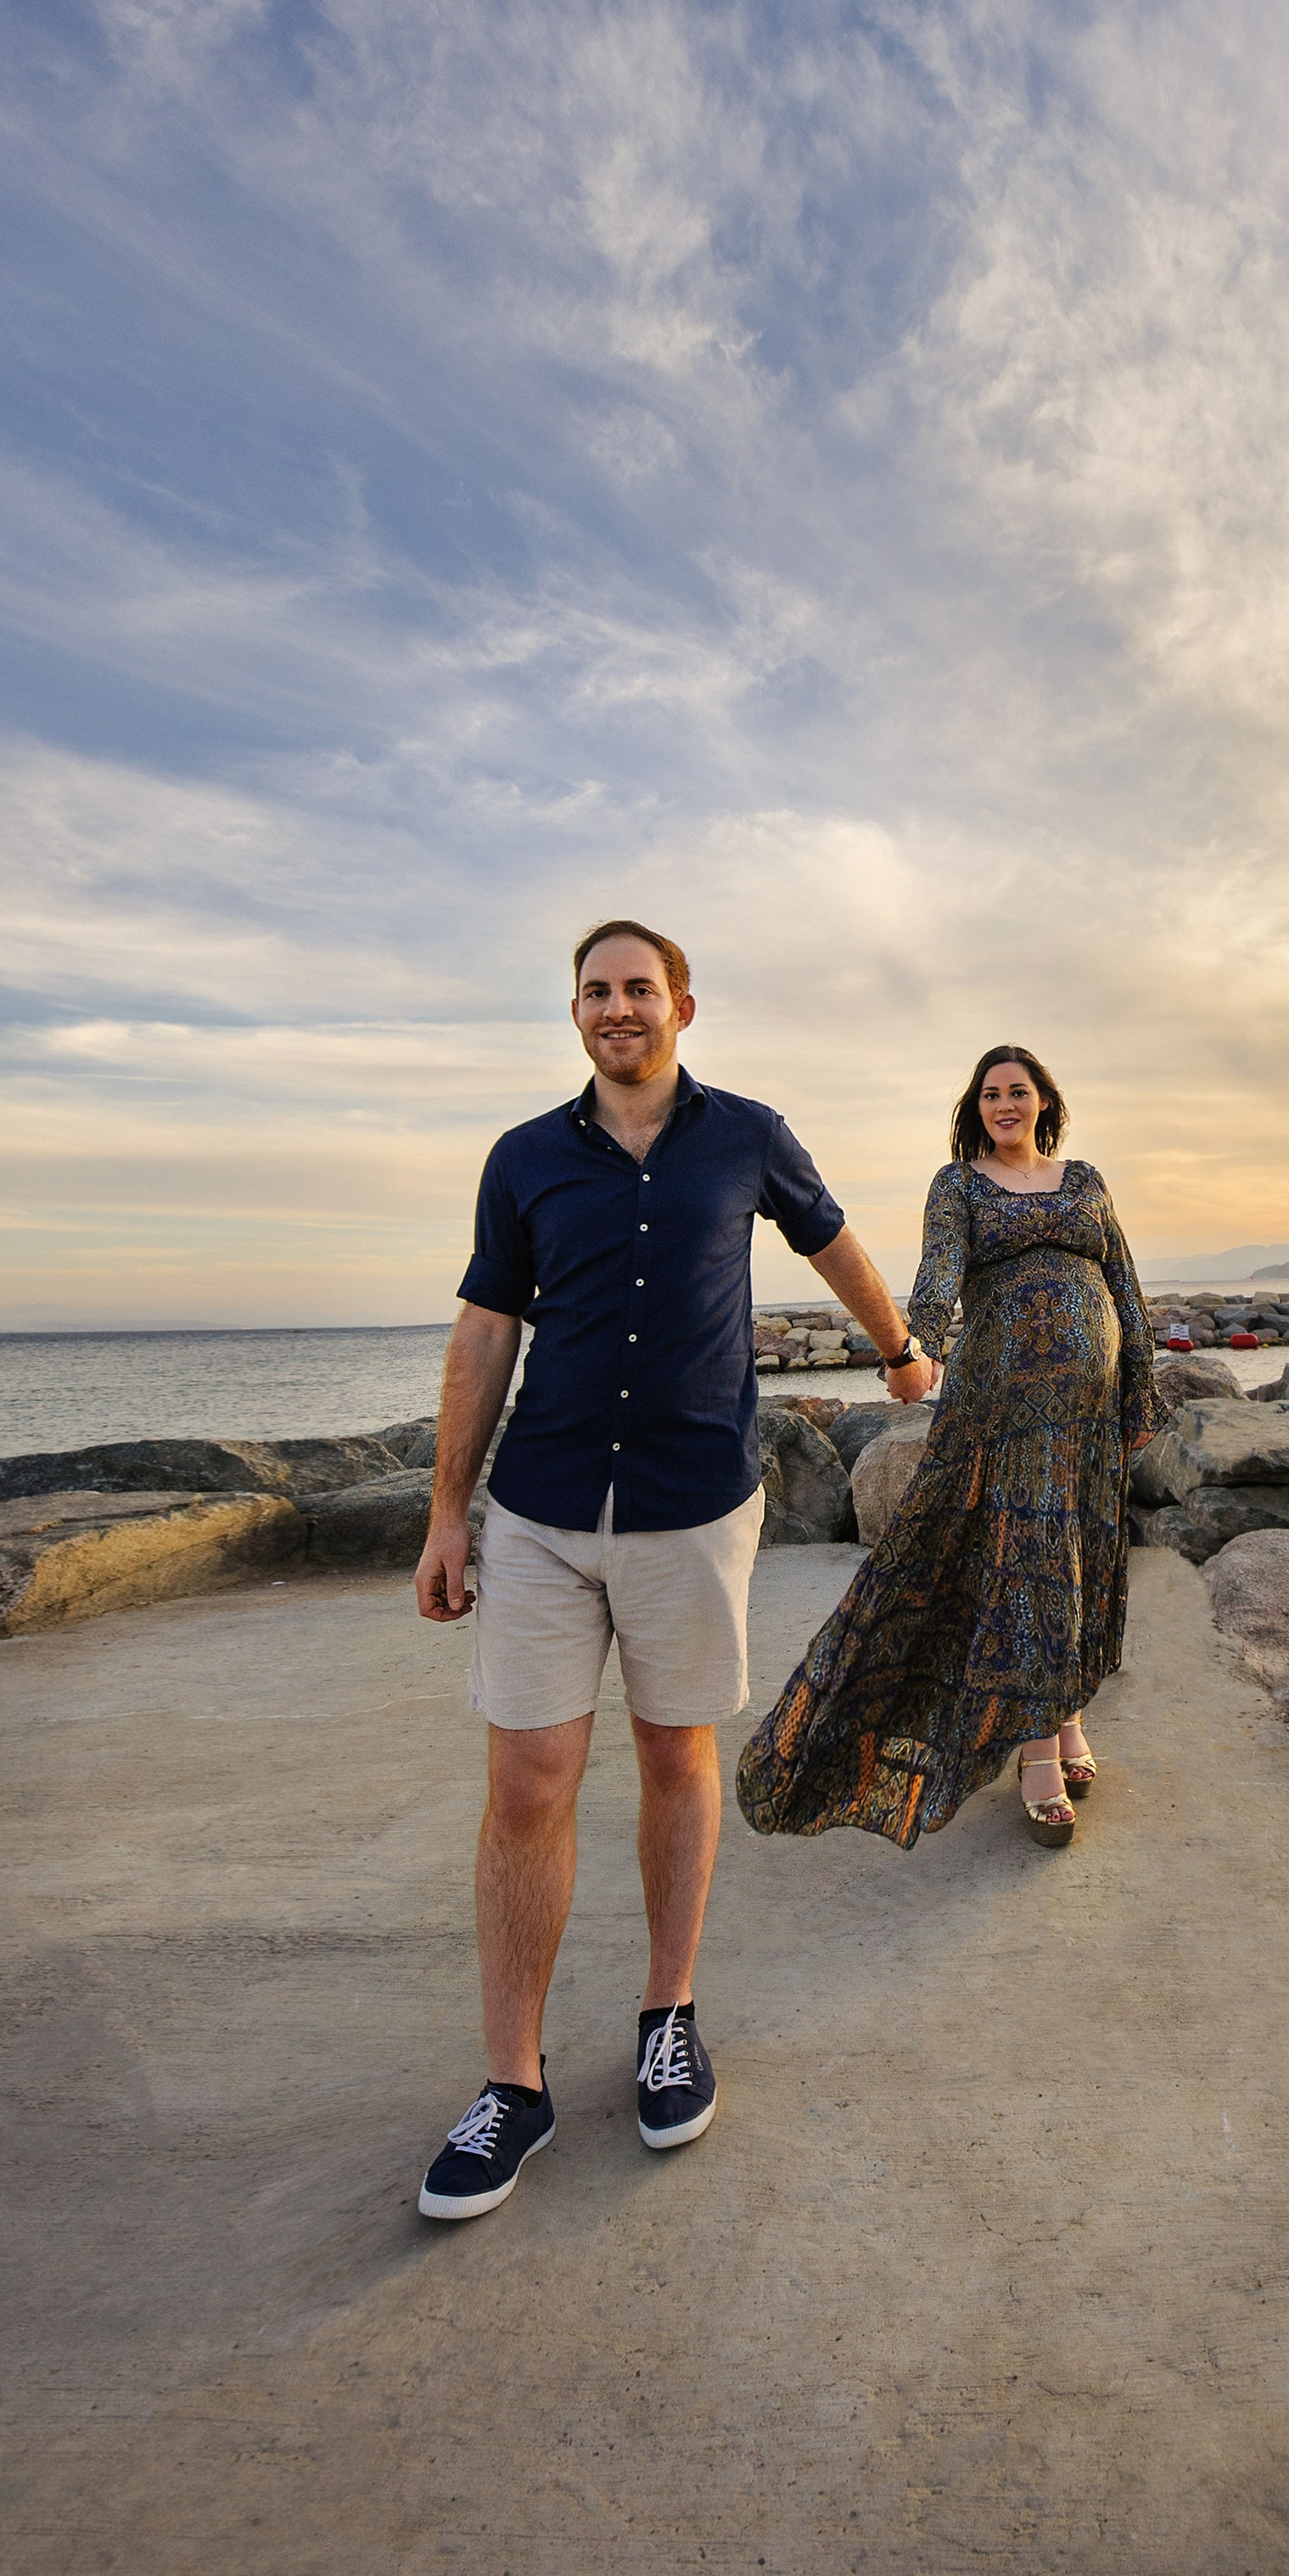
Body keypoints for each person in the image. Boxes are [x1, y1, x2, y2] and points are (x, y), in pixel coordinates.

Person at [411, 918, 934, 2221]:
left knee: (672, 1756)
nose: (618, 1009)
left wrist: (901, 1352)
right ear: (575, 1012)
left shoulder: (746, 1134)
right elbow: (484, 1332)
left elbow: (834, 1243)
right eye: (597, 992)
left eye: (640, 989)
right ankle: (511, 2086)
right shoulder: (523, 1159)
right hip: (539, 1508)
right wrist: (444, 1512)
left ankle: (666, 2015)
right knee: (527, 1778)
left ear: (683, 1007)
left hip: (694, 1505)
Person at [736, 1042, 1160, 1853]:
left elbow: (1123, 1286)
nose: (1006, 1104)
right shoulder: (959, 1184)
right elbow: (939, 1273)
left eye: (1019, 1092)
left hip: (1088, 1410)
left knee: (1076, 1557)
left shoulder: (1087, 1182)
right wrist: (915, 1349)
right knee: (1026, 1562)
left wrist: (1141, 1386)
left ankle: (1065, 1717)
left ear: (1044, 1102)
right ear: (977, 1108)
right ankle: (1038, 1758)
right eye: (992, 1094)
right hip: (1005, 1407)